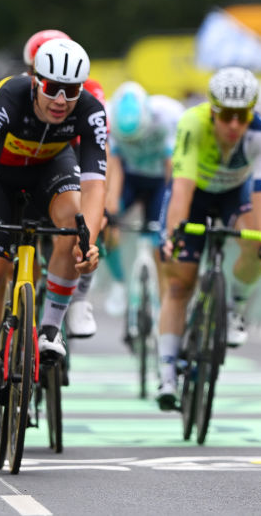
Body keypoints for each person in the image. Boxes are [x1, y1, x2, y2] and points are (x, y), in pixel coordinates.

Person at [0, 37, 104, 435]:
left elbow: (94, 187)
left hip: (51, 171)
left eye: (71, 90)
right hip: (1, 180)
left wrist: (88, 242)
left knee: (74, 227)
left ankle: (51, 328)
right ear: (35, 79)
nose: (61, 99)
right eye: (52, 87)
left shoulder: (91, 110)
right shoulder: (9, 97)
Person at [157, 67, 261, 411]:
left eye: (242, 116)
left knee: (256, 245)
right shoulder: (192, 124)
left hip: (233, 194)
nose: (234, 125)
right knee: (179, 283)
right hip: (194, 195)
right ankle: (166, 372)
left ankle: (235, 308)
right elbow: (182, 188)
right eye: (226, 116)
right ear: (212, 111)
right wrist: (174, 235)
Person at [23, 29, 107, 334]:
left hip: (72, 158)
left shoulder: (90, 93)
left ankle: (79, 297)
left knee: (88, 221)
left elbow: (100, 152)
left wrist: (102, 206)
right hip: (31, 162)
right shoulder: (21, 91)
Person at [103, 81, 183, 340]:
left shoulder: (168, 115)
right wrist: (111, 207)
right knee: (103, 222)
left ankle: (164, 306)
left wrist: (172, 213)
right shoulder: (107, 115)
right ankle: (118, 282)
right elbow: (113, 165)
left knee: (163, 245)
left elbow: (173, 170)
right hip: (129, 177)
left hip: (159, 181)